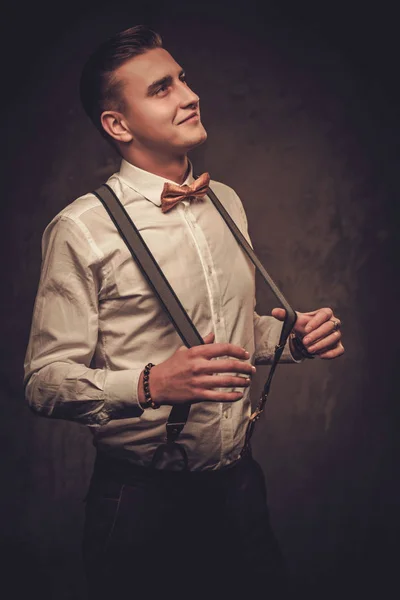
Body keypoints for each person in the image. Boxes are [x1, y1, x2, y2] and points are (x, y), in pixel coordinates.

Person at [23, 25, 344, 599]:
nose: (189, 94)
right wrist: (151, 383)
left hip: (240, 486)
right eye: (162, 88)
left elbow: (235, 333)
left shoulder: (227, 201)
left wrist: (290, 339)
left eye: (184, 79)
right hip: (140, 502)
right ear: (117, 125)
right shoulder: (80, 229)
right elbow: (43, 382)